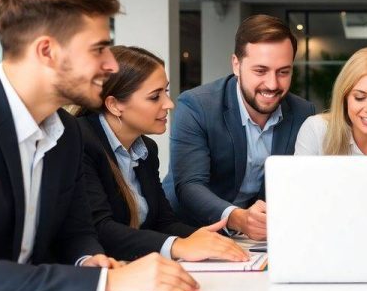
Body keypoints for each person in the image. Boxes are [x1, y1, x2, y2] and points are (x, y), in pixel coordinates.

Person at [0, 0, 199, 291]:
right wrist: (108, 282)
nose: (110, 65)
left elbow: (76, 233)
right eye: (98, 49)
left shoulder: (67, 132)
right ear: (46, 51)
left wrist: (90, 260)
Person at [76, 46, 250, 262]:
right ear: (114, 105)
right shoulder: (80, 142)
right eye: (154, 97)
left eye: (165, 92)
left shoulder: (147, 149)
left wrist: (208, 239)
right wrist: (178, 245)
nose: (169, 103)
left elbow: (164, 223)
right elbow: (100, 230)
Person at [162, 15, 316, 241]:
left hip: (258, 238)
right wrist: (238, 218)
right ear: (236, 64)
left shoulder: (303, 113)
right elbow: (189, 186)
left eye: (283, 72)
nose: (272, 84)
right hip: (191, 231)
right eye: (260, 71)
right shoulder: (197, 106)